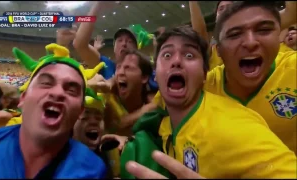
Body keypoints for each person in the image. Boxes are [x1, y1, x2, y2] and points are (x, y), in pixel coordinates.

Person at [125, 26, 297, 178]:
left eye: (189, 55)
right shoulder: (165, 120)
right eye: (167, 54)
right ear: (156, 74)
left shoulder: (232, 128)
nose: (176, 61)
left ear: (205, 75)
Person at [0, 44, 106, 178]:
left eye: (71, 90)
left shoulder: (93, 169)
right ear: (23, 98)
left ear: (80, 111)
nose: (57, 93)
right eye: (46, 83)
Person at [205, 1, 297, 154]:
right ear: (218, 50)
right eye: (234, 34)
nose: (250, 43)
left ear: (279, 36)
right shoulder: (204, 86)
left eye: (264, 30)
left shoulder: (293, 67)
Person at [103, 49, 156, 136]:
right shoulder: (107, 101)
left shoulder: (155, 101)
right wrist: (146, 110)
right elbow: (114, 125)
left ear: (144, 78)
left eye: (128, 68)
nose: (121, 73)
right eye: (118, 68)